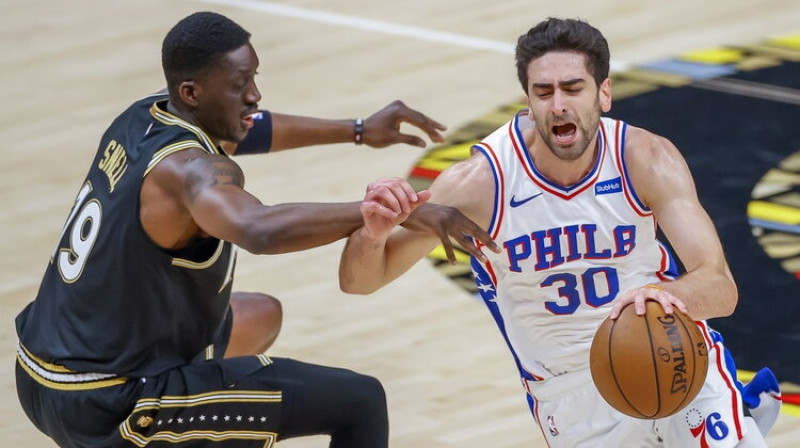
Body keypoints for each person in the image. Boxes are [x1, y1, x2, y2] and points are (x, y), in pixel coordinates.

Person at [14, 11, 495, 448]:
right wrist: (391, 211)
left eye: (254, 77)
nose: (255, 95)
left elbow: (251, 127)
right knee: (360, 402)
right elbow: (259, 229)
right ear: (192, 93)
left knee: (258, 317)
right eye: (240, 83)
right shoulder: (190, 172)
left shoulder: (146, 115)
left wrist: (358, 129)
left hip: (40, 371)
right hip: (113, 404)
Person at [338, 17, 781, 448]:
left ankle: (730, 416)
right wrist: (372, 235)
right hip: (570, 396)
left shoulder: (645, 158)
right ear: (527, 102)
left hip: (672, 354)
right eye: (544, 92)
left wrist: (672, 296)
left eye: (573, 88)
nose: (559, 104)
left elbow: (721, 288)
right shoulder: (479, 184)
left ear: (603, 93)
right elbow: (360, 281)